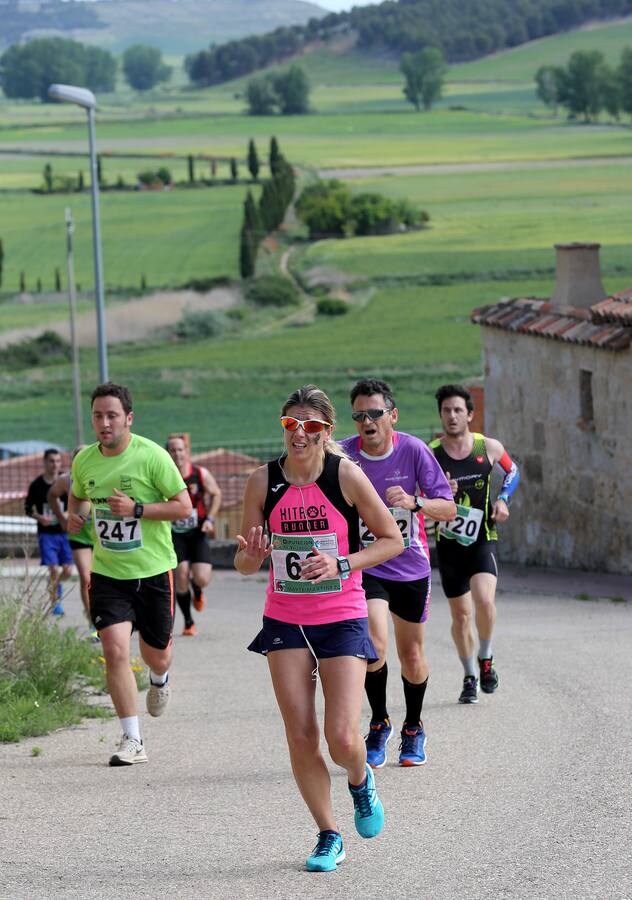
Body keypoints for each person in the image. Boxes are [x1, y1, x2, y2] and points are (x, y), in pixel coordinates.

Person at [235, 384, 403, 873]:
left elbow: (391, 541)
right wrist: (252, 554)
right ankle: (329, 834)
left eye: (311, 427)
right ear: (283, 427)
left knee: (342, 737)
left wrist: (341, 564)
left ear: (327, 432)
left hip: (342, 615)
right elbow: (244, 564)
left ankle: (360, 780)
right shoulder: (261, 482)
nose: (300, 434)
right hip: (285, 617)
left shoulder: (346, 476)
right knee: (302, 736)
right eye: (291, 425)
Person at [67, 382, 192, 766]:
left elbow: (183, 507)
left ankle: (159, 679)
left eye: (112, 416)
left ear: (128, 419)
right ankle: (132, 739)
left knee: (157, 657)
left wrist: (138, 510)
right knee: (115, 650)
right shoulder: (85, 460)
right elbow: (79, 494)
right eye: (98, 416)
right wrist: (77, 514)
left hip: (153, 571)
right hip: (108, 573)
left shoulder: (152, 457)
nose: (104, 423)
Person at [339, 378, 455, 769]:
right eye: (359, 415)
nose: (366, 421)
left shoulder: (414, 450)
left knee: (412, 655)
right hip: (368, 563)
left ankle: (413, 726)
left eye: (374, 413)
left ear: (392, 415)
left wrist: (414, 502)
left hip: (410, 566)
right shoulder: (343, 456)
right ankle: (379, 721)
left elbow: (449, 508)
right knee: (373, 641)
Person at [430, 384, 520, 704]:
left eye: (457, 410)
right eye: (446, 411)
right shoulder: (431, 453)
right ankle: (469, 675)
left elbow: (513, 471)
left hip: (483, 538)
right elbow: (420, 495)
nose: (452, 416)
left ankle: (486, 658)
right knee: (461, 617)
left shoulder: (488, 447)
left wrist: (504, 500)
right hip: (450, 544)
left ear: (469, 414)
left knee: (484, 600)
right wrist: (440, 493)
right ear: (440, 415)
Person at [166, 433, 222, 636]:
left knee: (202, 578)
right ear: (167, 453)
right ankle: (188, 621)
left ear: (187, 452)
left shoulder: (199, 473)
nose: (177, 453)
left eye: (180, 449)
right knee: (180, 574)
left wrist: (210, 519)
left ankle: (197, 590)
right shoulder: (163, 476)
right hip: (174, 534)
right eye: (172, 450)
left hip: (198, 531)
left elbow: (216, 493)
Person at [47, 446, 97, 640]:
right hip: (80, 536)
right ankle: (93, 622)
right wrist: (61, 518)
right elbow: (52, 495)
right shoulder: (66, 480)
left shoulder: (103, 475)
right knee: (86, 578)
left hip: (102, 536)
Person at [25, 448, 73, 615]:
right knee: (53, 569)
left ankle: (54, 584)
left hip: (64, 532)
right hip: (46, 534)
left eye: (58, 461)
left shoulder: (66, 482)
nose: (55, 465)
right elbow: (27, 508)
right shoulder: (37, 485)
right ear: (45, 462)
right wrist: (39, 517)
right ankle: (56, 601)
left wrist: (66, 515)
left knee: (68, 571)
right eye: (52, 461)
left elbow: (76, 504)